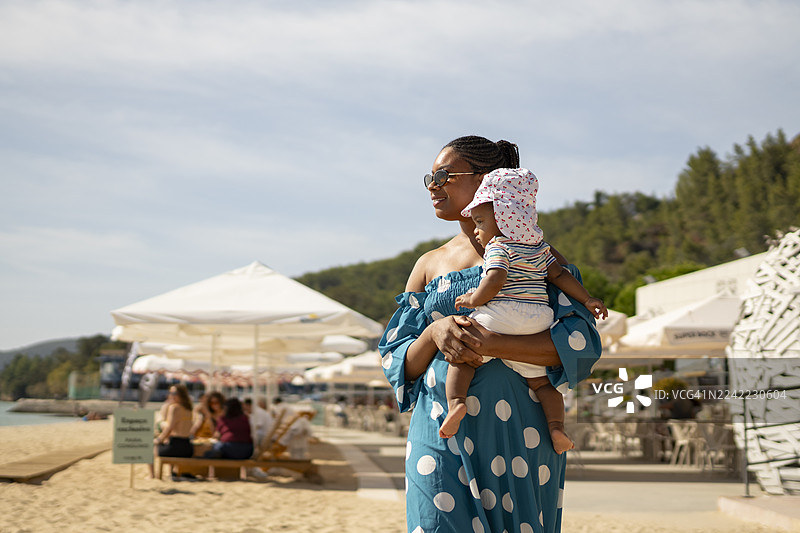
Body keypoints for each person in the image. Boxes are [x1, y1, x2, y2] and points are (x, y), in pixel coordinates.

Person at [379, 135, 602, 532]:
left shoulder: (538, 257)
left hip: (522, 431)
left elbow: (580, 346)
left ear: (488, 180)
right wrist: (434, 331)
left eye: (444, 175)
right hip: (440, 424)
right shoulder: (429, 264)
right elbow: (398, 361)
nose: (433, 185)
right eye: (430, 176)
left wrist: (493, 342)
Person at [440, 167, 608, 452]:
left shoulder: (498, 246)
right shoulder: (540, 249)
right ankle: (556, 428)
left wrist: (473, 299)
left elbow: (495, 278)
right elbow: (560, 276)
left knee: (463, 358)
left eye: (480, 221)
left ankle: (456, 405)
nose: (477, 229)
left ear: (505, 219)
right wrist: (588, 299)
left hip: (500, 315)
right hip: (538, 319)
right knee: (543, 385)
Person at [149, 383, 194, 479]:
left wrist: (159, 440)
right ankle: (172, 473)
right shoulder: (188, 408)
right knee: (166, 444)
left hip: (176, 446)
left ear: (181, 394)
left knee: (149, 448)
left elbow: (169, 428)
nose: (171, 395)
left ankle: (152, 475)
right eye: (170, 393)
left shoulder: (174, 407)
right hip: (187, 447)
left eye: (174, 393)